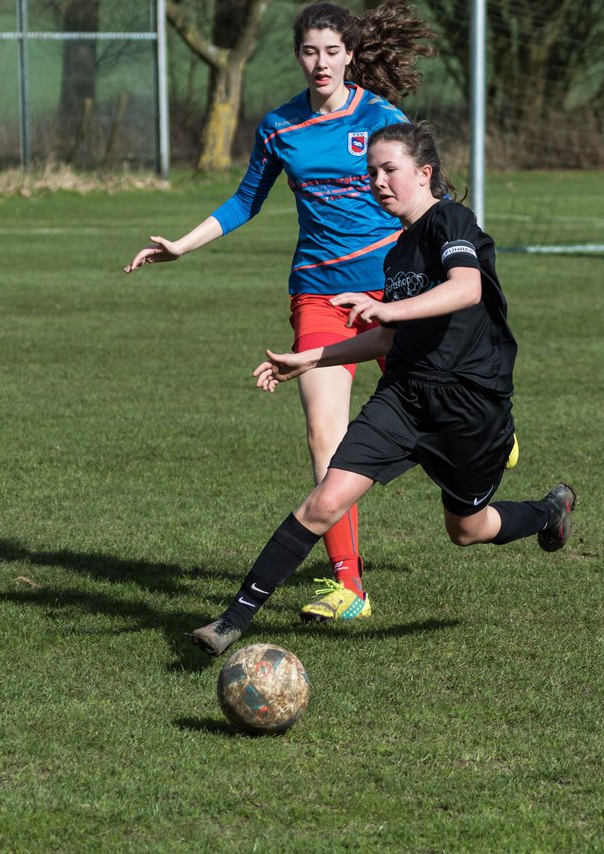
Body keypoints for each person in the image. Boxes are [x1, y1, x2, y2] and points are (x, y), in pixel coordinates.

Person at [190, 122, 578, 657]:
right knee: (326, 497)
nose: (377, 181)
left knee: (466, 530)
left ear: (425, 173)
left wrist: (388, 308)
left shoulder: (452, 221)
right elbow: (390, 336)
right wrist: (308, 358)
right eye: (370, 172)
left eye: (389, 170)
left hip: (470, 406)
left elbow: (464, 290)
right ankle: (232, 621)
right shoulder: (397, 254)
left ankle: (546, 512)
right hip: (404, 397)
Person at [124, 2, 434, 624]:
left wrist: (452, 259)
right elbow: (246, 200)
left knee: (443, 410)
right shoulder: (279, 125)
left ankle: (486, 437)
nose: (319, 63)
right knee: (328, 436)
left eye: (330, 51)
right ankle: (350, 586)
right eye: (309, 52)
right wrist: (182, 245)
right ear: (298, 55)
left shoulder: (381, 119)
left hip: (392, 290)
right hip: (318, 295)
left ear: (350, 54)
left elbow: (428, 198)